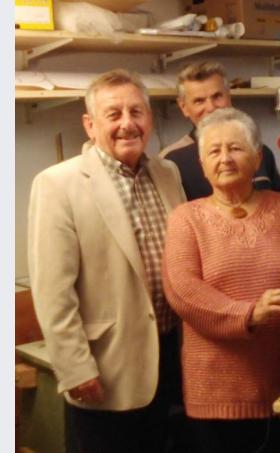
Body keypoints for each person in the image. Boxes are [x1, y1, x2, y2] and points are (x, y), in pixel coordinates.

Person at [162, 107, 280, 453]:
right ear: (202, 164)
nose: (225, 158)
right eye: (214, 151)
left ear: (257, 157)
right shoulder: (186, 219)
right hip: (217, 392)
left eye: (235, 148)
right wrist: (250, 314)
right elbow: (183, 291)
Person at [28, 69, 186, 453]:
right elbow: (53, 292)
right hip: (106, 367)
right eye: (113, 114)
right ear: (90, 124)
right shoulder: (58, 184)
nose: (127, 124)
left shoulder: (168, 172)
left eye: (136, 112)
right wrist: (75, 368)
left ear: (150, 119)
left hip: (173, 358)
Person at [161, 61, 280, 200]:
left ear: (229, 96)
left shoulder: (257, 150)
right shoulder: (170, 162)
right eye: (199, 101)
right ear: (184, 107)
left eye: (217, 96)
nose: (211, 107)